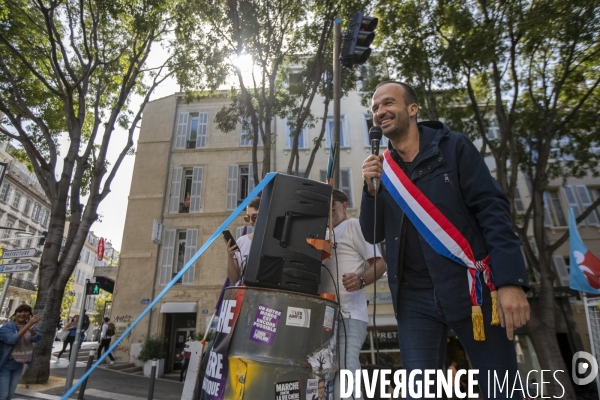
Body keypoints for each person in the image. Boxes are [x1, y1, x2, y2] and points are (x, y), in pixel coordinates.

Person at [360, 81, 530, 399]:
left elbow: (492, 211)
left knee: (502, 390)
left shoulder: (454, 147)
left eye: (388, 103)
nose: (380, 112)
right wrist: (371, 192)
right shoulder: (385, 170)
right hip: (413, 299)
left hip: (470, 290)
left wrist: (511, 282)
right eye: (375, 108)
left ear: (413, 109)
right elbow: (373, 234)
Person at [319, 189, 386, 400]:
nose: (330, 214)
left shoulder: (354, 225)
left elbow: (381, 263)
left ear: (344, 205)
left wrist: (360, 280)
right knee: (327, 376)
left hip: (349, 314)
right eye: (326, 211)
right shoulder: (323, 237)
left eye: (333, 208)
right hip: (326, 316)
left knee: (346, 372)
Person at [0, 304, 42, 400]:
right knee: (3, 395)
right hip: (5, 364)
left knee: (10, 395)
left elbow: (37, 338)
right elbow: (12, 340)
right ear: (15, 314)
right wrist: (28, 325)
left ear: (29, 314)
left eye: (26, 312)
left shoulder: (32, 326)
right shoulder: (7, 326)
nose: (22, 314)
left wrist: (31, 331)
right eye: (19, 312)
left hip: (19, 364)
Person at [224, 196, 261, 284]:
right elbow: (234, 280)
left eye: (254, 217)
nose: (251, 222)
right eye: (248, 218)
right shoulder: (241, 241)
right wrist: (230, 256)